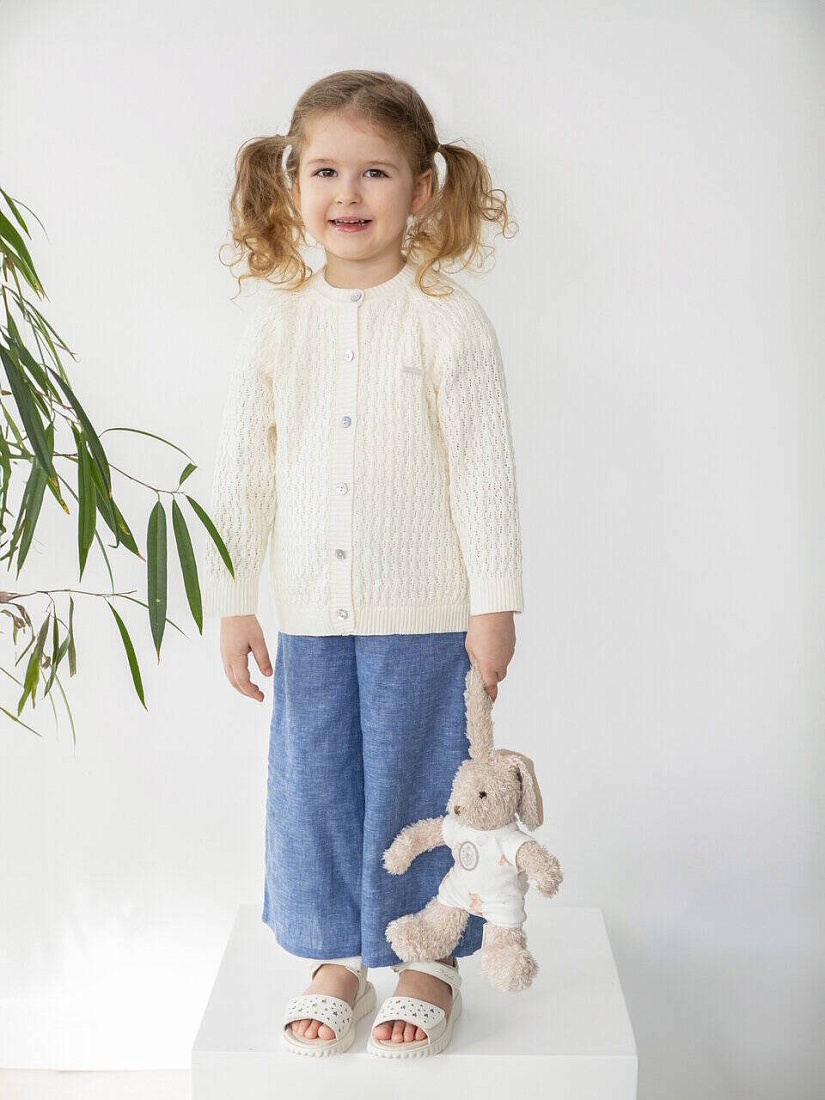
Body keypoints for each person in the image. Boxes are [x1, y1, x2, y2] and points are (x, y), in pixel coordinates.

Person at [201, 68, 524, 1058]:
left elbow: (483, 469)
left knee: (421, 785)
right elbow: (244, 468)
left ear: (421, 188)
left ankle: (426, 958)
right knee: (313, 788)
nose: (349, 193)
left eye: (375, 172)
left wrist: (495, 601)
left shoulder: (446, 317)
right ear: (291, 182)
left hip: (424, 614)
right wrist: (235, 600)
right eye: (327, 171)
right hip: (308, 613)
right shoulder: (277, 322)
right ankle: (336, 954)